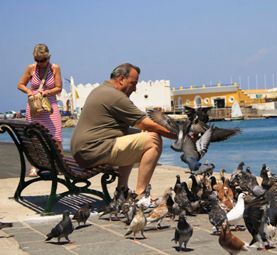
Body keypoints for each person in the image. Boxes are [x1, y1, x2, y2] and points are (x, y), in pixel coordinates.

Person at [71, 63, 176, 197]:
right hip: (92, 151)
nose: (135, 88)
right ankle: (140, 195)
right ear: (121, 79)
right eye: (133, 83)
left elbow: (141, 128)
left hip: (84, 150)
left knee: (136, 136)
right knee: (153, 140)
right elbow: (147, 124)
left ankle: (122, 190)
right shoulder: (115, 96)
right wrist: (179, 136)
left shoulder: (101, 90)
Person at [17, 43, 63, 177]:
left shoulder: (55, 68)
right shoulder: (31, 68)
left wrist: (46, 92)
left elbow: (58, 88)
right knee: (34, 139)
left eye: (43, 60)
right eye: (37, 60)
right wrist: (29, 91)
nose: (41, 63)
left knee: (56, 138)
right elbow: (20, 84)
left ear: (48, 57)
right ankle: (34, 167)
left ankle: (60, 165)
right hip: (35, 108)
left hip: (50, 107)